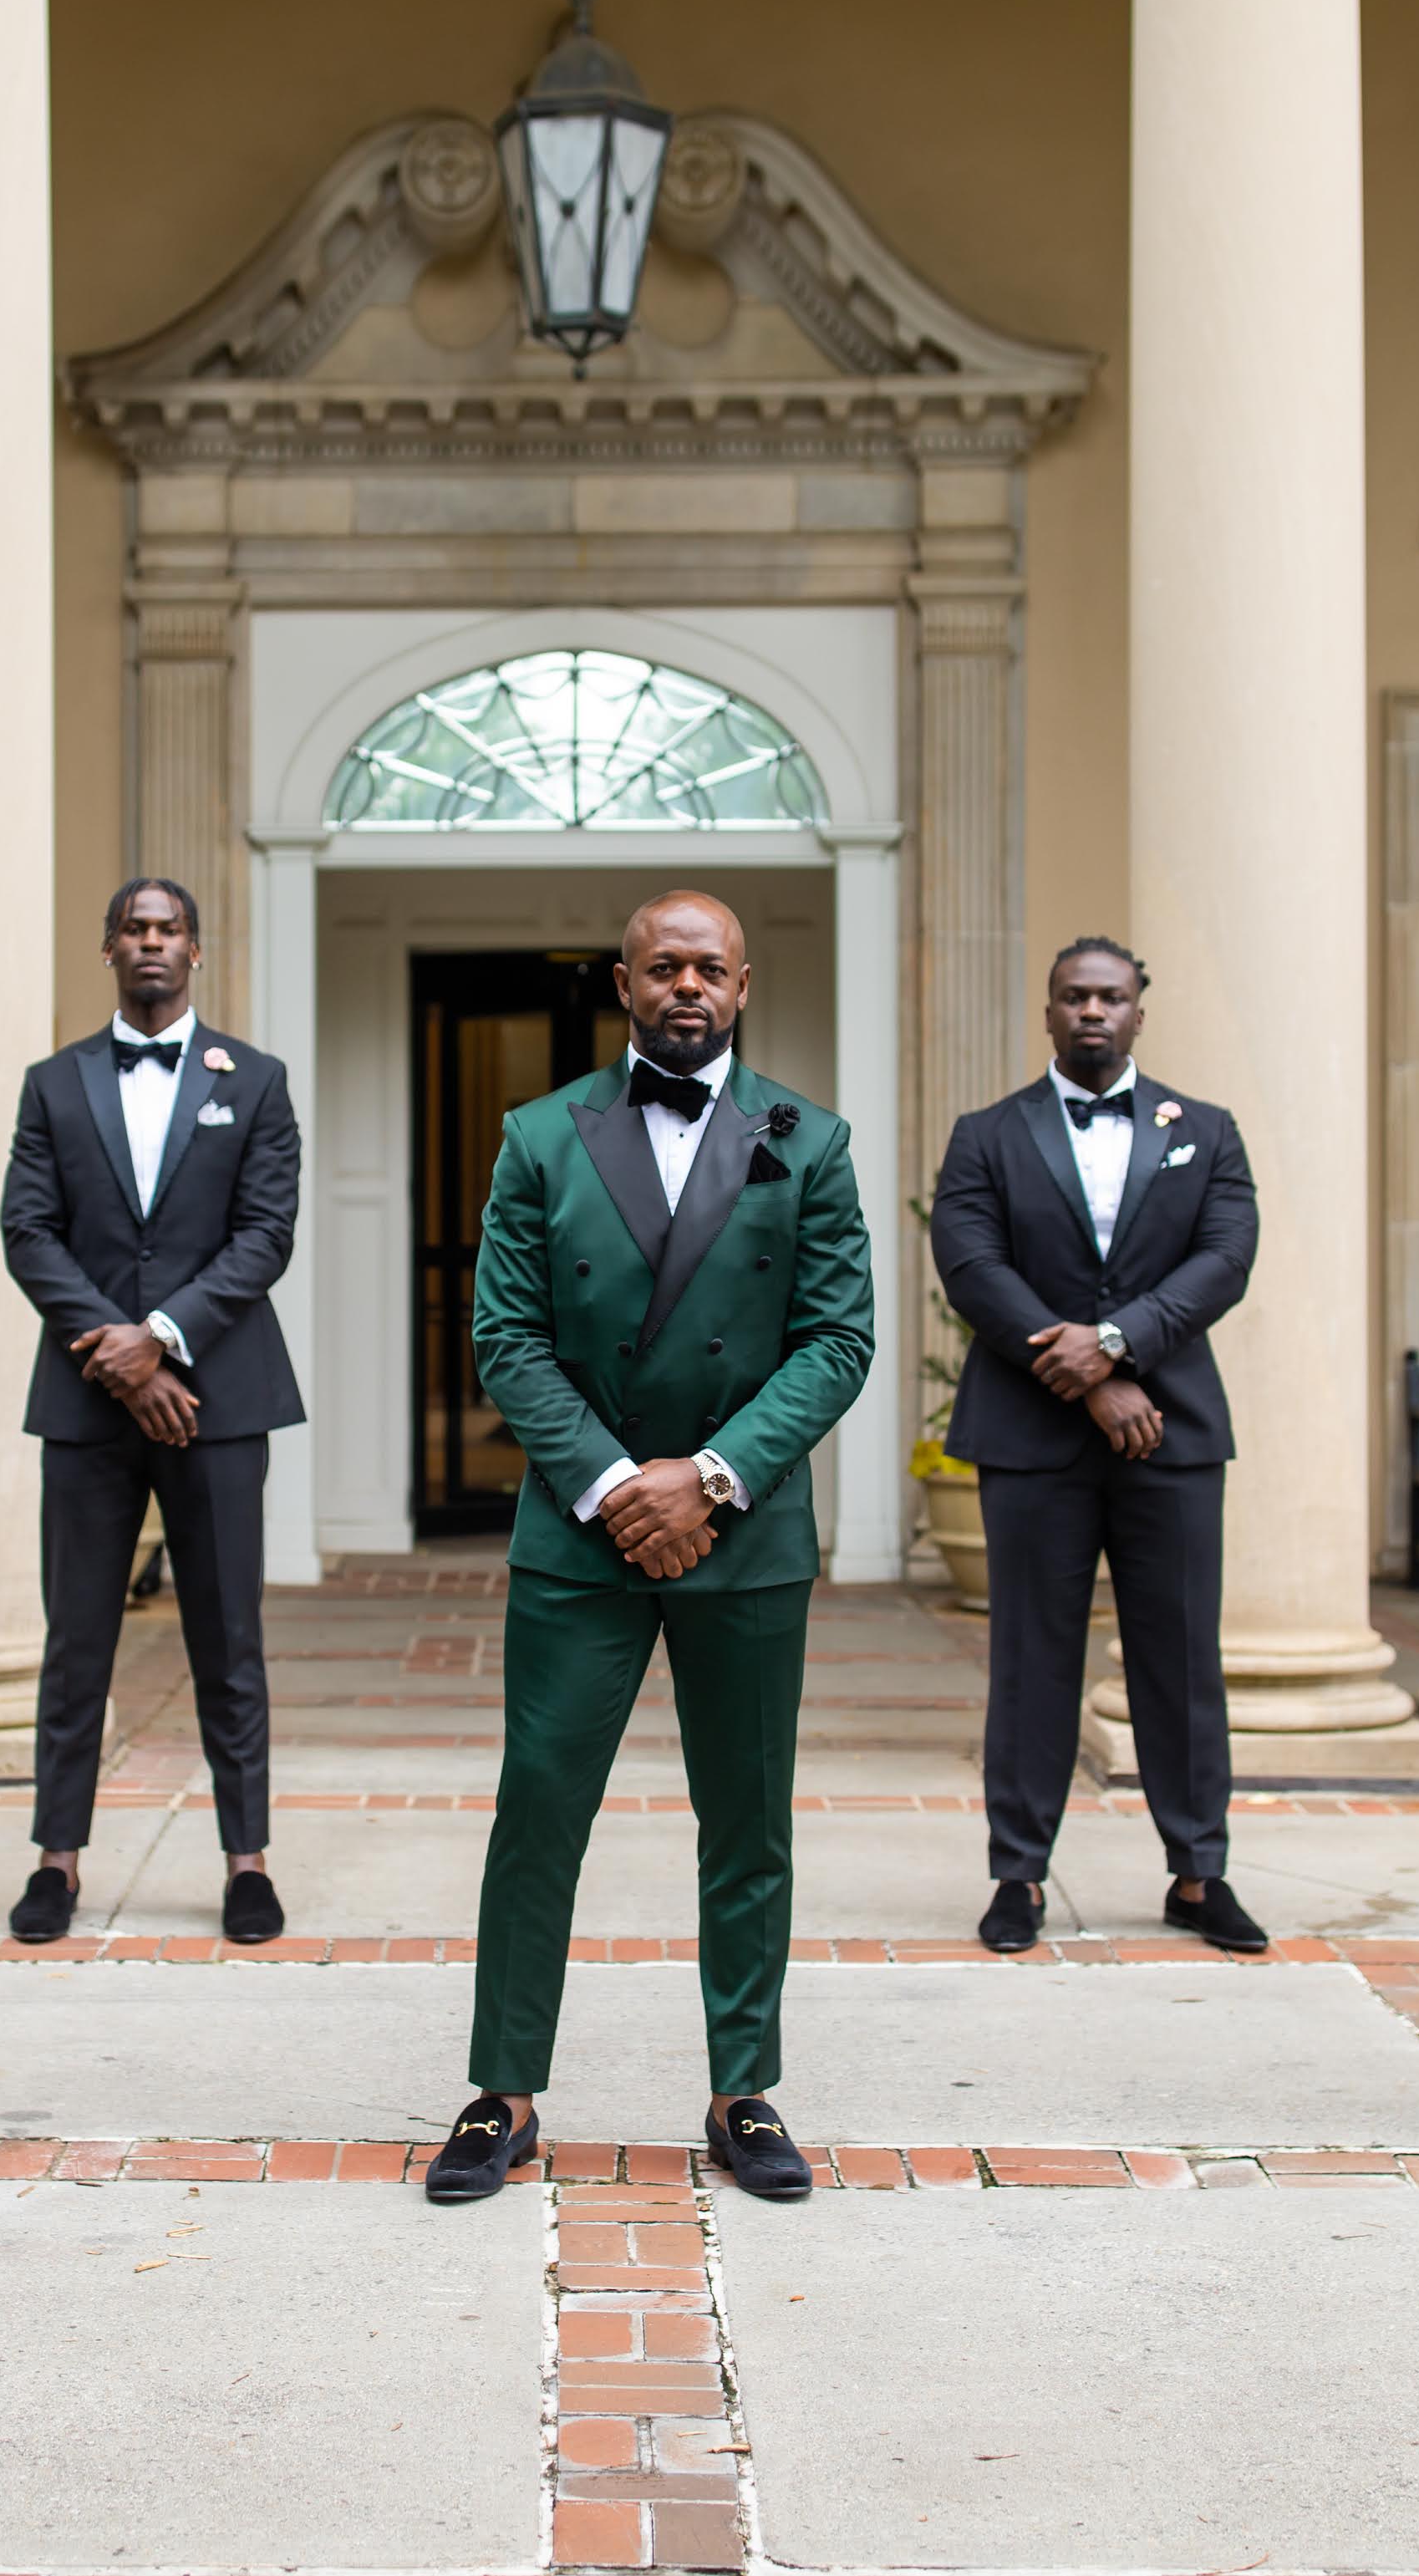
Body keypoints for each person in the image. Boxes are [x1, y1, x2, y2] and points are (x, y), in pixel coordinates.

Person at [424, 891, 875, 2207]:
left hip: (743, 1536)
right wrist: (621, 1485)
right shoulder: (539, 1136)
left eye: (709, 969)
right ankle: (500, 2092)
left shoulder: (813, 1140)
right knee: (537, 1813)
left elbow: (835, 1340)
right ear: (622, 984)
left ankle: (745, 2090)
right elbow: (503, 1333)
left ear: (744, 984)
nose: (688, 987)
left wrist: (712, 1478)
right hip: (582, 1535)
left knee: (747, 1824)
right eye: (662, 967)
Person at [929, 937, 1266, 1956]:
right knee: (1032, 1660)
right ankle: (1017, 1876)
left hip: (1170, 1433)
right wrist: (1087, 1379)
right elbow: (971, 1263)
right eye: (1072, 996)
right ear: (1047, 1013)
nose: (1090, 1012)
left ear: (1137, 1012)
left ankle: (1197, 1872)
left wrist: (1119, 1346)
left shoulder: (1204, 1132)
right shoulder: (986, 1135)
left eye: (1109, 997)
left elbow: (1225, 1257)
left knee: (1180, 1657)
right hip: (1030, 1437)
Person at [0, 877, 304, 1945]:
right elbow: (27, 1232)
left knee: (228, 1638)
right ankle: (56, 1859)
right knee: (75, 1639)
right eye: (132, 927)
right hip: (86, 1406)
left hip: (218, 1400)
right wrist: (121, 1359)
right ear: (108, 946)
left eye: (168, 928)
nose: (150, 943)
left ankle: (246, 1860)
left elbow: (264, 1234)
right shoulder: (53, 1083)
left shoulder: (253, 1081)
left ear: (195, 950)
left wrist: (163, 1335)